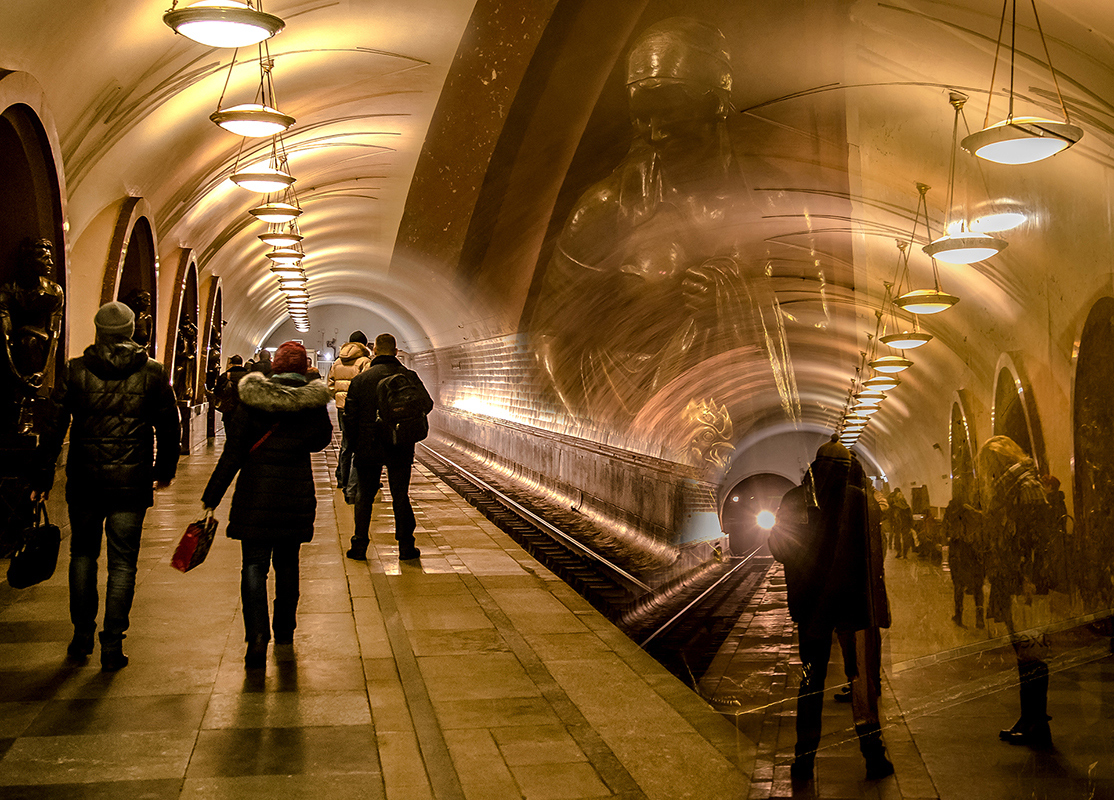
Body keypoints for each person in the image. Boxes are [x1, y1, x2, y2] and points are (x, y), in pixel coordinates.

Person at [34, 301, 180, 671]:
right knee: (123, 563)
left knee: (83, 556)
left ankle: (82, 633)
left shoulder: (75, 371)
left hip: (84, 480)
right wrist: (164, 468)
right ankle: (112, 642)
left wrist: (42, 476)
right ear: (132, 332)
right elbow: (168, 425)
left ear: (98, 331)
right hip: (130, 481)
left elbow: (53, 428)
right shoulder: (152, 373)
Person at [768, 435, 893, 782]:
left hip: (811, 608)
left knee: (810, 682)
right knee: (862, 684)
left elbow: (778, 549)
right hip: (855, 607)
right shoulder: (863, 503)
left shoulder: (794, 499)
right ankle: (873, 757)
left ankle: (803, 761)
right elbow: (875, 559)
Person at [201, 341, 332, 668]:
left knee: (253, 566)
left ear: (274, 365)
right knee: (288, 564)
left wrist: (211, 496)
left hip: (255, 495)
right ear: (303, 367)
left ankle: (257, 637)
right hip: (294, 494)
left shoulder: (251, 400)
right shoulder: (311, 404)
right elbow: (321, 442)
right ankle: (285, 631)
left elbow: (233, 453)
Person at [973, 435, 1055, 748]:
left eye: (990, 465)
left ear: (1000, 461)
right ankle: (1029, 719)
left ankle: (1037, 724)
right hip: (1013, 578)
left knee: (1033, 655)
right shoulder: (1013, 486)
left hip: (1027, 583)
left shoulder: (1026, 486)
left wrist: (1029, 577)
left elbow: (1037, 538)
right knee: (1025, 655)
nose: (988, 473)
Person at [344, 333, 433, 561]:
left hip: (368, 445)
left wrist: (354, 448)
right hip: (400, 444)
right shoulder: (408, 376)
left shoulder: (361, 380)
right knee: (400, 494)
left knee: (364, 496)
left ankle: (359, 545)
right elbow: (427, 404)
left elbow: (350, 419)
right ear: (395, 351)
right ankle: (406, 546)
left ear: (374, 351)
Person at [0, 238, 65, 437]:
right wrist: (15, 374)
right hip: (14, 353)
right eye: (45, 258)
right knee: (23, 340)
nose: (51, 264)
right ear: (28, 260)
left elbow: (55, 334)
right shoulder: (9, 290)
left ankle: (25, 406)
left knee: (30, 340)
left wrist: (43, 373)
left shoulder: (53, 292)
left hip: (37, 350)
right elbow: (4, 333)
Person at [326, 330, 371, 502]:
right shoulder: (365, 361)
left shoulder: (337, 362)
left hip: (341, 407)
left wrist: (338, 398)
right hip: (358, 409)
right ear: (364, 345)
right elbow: (366, 385)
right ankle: (352, 485)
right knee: (357, 445)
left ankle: (341, 479)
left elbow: (330, 385)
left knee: (345, 443)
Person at [943, 494, 985, 628]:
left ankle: (959, 616)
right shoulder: (975, 513)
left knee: (959, 586)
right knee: (978, 588)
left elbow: (948, 532)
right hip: (975, 554)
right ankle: (980, 619)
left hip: (959, 554)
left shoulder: (952, 512)